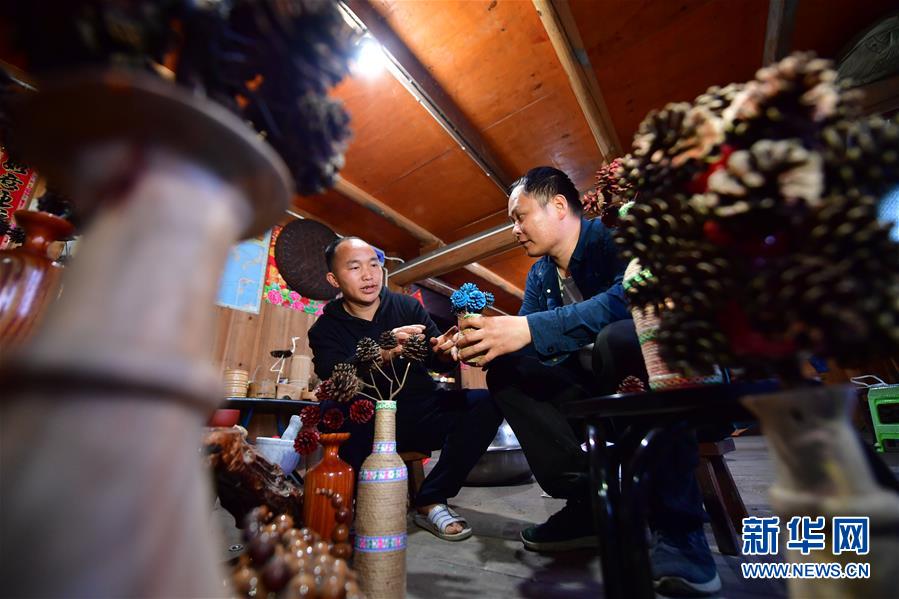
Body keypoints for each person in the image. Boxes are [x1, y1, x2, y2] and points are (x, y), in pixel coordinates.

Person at [455, 166, 721, 596]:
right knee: (507, 370)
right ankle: (589, 502)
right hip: (591, 391)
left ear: (559, 205)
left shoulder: (613, 236)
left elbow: (630, 299)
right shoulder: (541, 274)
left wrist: (530, 329)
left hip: (654, 380)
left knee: (621, 337)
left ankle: (678, 529)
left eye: (520, 216)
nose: (515, 229)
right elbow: (529, 338)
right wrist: (481, 341)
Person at [308, 236, 502, 541]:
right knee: (332, 411)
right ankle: (354, 505)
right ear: (334, 279)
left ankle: (431, 499)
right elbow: (334, 377)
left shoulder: (407, 306)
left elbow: (437, 361)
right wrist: (381, 352)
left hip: (419, 414)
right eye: (355, 267)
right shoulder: (324, 329)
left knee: (486, 403)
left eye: (374, 265)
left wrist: (444, 350)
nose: (369, 275)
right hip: (366, 424)